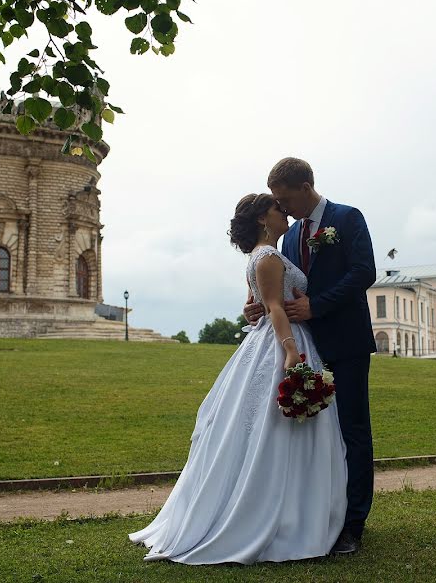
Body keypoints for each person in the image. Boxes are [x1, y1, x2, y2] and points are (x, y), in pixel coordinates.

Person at [129, 193, 347, 565]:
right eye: (279, 210)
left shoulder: (265, 256)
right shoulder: (267, 257)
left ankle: (291, 513)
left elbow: (257, 303)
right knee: (274, 426)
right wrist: (291, 350)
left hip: (274, 339)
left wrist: (254, 310)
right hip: (281, 341)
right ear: (265, 218)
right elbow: (275, 307)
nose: (286, 215)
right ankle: (279, 517)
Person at [245, 157, 377, 555]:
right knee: (313, 436)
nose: (283, 209)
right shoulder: (288, 237)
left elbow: (363, 273)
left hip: (347, 340)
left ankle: (353, 524)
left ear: (306, 187)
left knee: (353, 430)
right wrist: (257, 307)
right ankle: (316, 514)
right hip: (306, 346)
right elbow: (278, 290)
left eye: (286, 199)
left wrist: (317, 306)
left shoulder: (348, 218)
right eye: (277, 203)